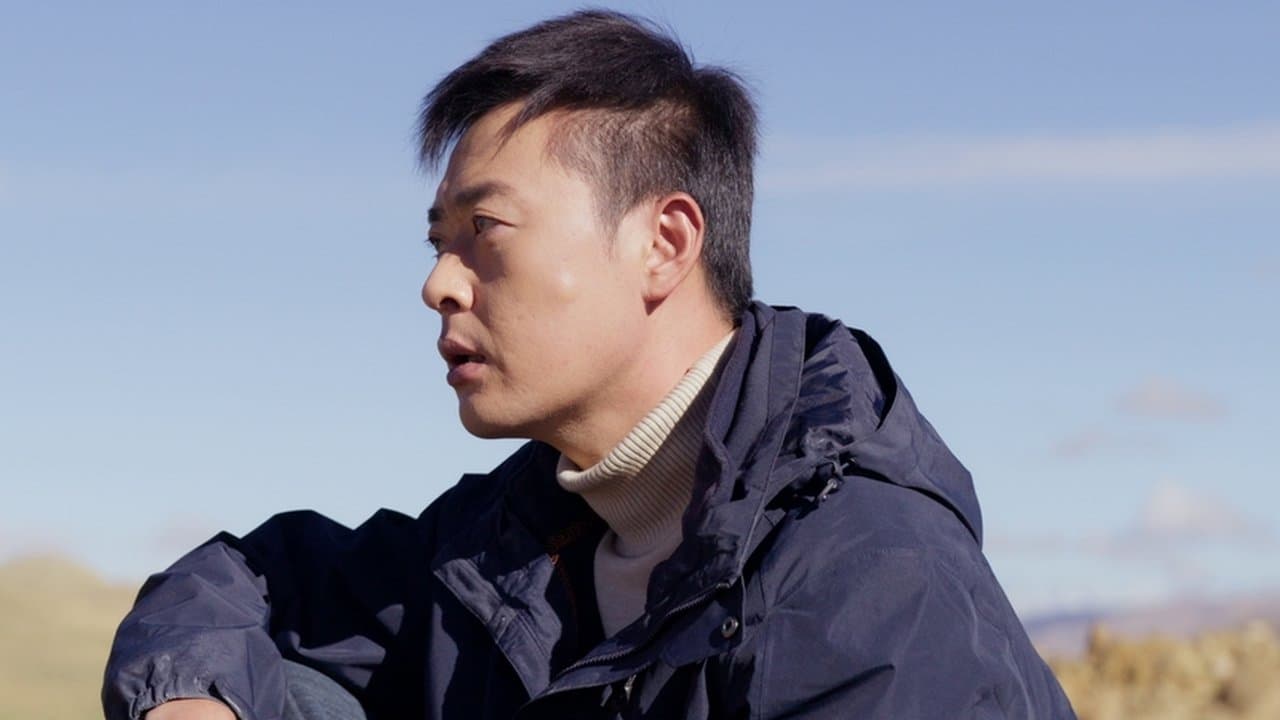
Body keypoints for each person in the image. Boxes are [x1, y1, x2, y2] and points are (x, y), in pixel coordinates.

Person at [103, 10, 1077, 720]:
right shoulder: (509, 541)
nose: (438, 285)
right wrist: (188, 698)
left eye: (485, 230)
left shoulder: (873, 593)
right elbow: (247, 582)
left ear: (663, 243)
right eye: (437, 242)